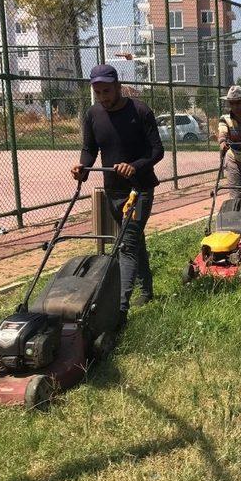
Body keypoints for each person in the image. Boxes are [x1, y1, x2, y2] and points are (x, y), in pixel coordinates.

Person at [71, 64, 164, 328]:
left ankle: (119, 310)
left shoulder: (140, 111)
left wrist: (135, 165)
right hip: (113, 189)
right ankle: (146, 291)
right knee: (133, 240)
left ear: (118, 86)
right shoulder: (92, 115)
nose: (103, 97)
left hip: (140, 188)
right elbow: (90, 148)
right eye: (98, 92)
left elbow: (157, 151)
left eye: (107, 91)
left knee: (126, 244)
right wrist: (82, 168)